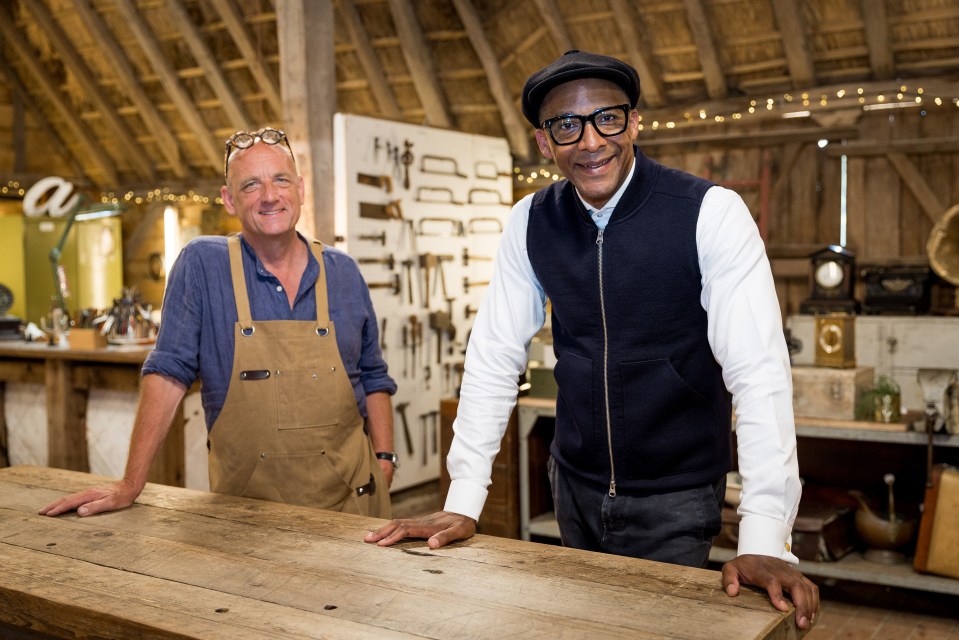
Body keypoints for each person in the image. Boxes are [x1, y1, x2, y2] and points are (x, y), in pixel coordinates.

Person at [365, 51, 819, 629]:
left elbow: (759, 376)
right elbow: (493, 359)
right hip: (573, 485)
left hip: (677, 493)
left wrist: (763, 537)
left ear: (633, 122)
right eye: (566, 125)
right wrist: (463, 500)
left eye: (606, 118)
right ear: (543, 143)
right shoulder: (529, 221)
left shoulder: (709, 214)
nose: (590, 141)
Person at [40, 127, 397, 519]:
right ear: (228, 200)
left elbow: (373, 376)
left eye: (280, 180)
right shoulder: (202, 266)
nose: (269, 196)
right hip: (248, 519)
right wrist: (130, 483)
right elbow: (167, 373)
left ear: (300, 188)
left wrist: (384, 457)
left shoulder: (343, 272)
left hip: (354, 511)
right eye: (251, 185)